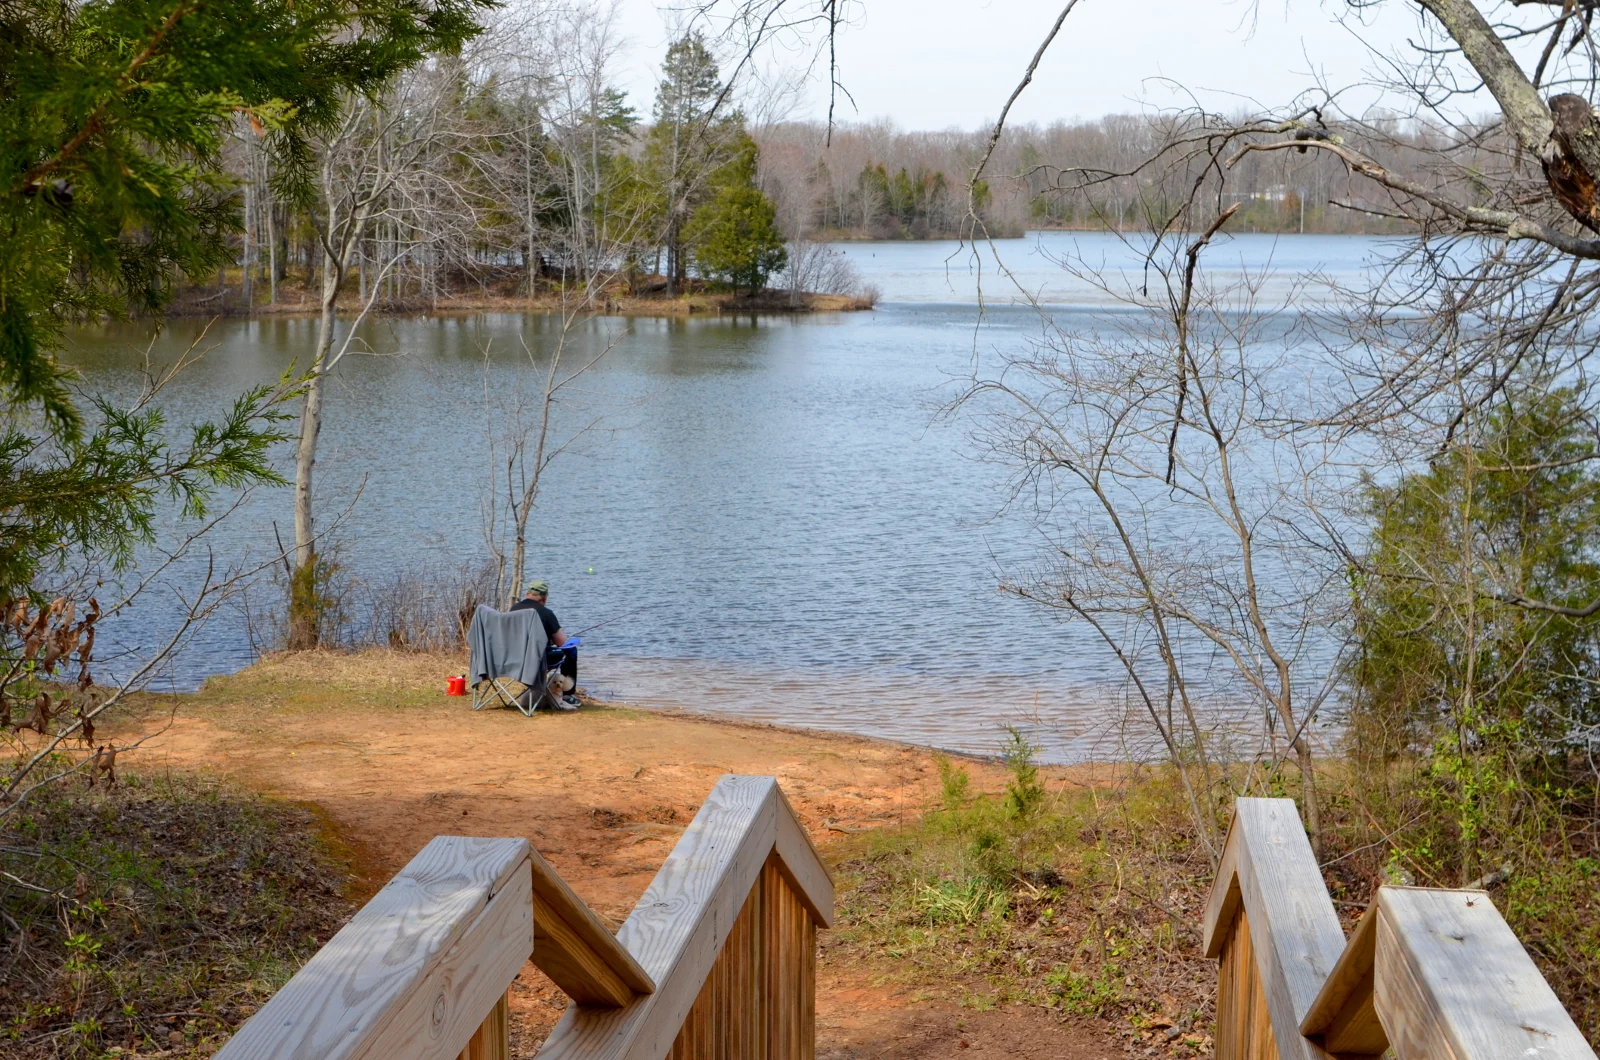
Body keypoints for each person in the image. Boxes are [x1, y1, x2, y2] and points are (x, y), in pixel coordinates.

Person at [510, 579, 582, 709]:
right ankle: (566, 694)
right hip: (537, 660)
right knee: (571, 650)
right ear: (544, 598)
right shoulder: (546, 613)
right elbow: (561, 642)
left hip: (512, 659)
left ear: (527, 593)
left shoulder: (513, 609)